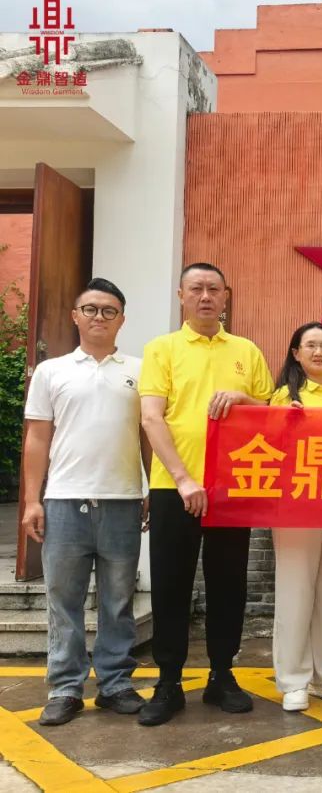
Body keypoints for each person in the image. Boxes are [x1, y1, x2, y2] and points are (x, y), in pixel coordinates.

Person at [138, 263, 274, 726]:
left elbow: (269, 410)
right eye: (196, 288)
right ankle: (169, 682)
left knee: (228, 585)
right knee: (171, 586)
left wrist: (242, 399)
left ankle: (222, 675)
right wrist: (182, 478)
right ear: (181, 295)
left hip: (233, 486)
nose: (205, 296)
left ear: (226, 295)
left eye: (214, 289)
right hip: (174, 487)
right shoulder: (162, 349)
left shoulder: (246, 350)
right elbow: (152, 417)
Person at [21, 278, 150, 726]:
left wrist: (151, 488)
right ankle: (65, 688)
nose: (99, 317)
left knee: (118, 600)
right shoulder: (51, 371)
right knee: (64, 600)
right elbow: (38, 439)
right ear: (76, 316)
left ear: (122, 320)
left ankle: (115, 683)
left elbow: (147, 434)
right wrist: (31, 500)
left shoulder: (140, 369)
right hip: (64, 500)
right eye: (91, 309)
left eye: (109, 311)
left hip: (122, 500)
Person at [269, 322, 322, 712]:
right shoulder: (282, 398)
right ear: (296, 354)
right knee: (295, 590)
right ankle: (293, 679)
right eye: (310, 346)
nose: (318, 352)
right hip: (296, 505)